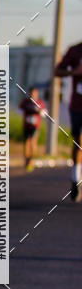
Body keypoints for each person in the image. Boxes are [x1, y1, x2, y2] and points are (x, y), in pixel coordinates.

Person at [54, 41, 82, 201]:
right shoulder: (75, 50)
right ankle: (75, 179)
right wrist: (74, 72)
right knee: (78, 142)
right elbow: (57, 71)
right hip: (77, 105)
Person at [18, 86, 46, 171]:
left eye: (34, 93)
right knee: (26, 142)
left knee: (33, 141)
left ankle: (31, 160)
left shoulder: (39, 103)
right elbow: (19, 110)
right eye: (31, 93)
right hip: (26, 125)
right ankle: (26, 159)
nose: (33, 94)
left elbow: (44, 113)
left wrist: (39, 111)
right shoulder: (26, 102)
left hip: (35, 126)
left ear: (37, 94)